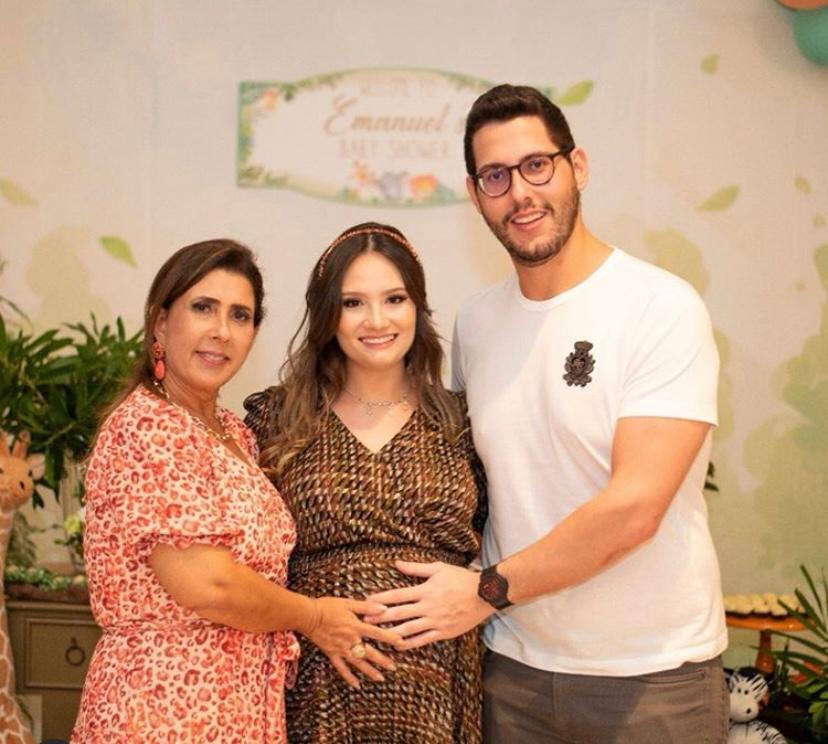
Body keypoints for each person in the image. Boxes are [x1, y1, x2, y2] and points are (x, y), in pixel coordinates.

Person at [369, 85, 729, 743]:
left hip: (651, 678)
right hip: (514, 673)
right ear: (475, 195)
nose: (520, 193)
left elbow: (635, 508)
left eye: (537, 165)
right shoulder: (477, 323)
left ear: (577, 166)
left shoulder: (660, 307)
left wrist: (484, 591)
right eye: (496, 177)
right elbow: (464, 483)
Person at [72, 239, 401, 743]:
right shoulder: (146, 425)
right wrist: (314, 616)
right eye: (203, 308)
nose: (221, 331)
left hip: (240, 706)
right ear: (161, 322)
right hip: (164, 707)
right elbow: (210, 585)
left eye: (240, 316)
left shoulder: (235, 433)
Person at [244, 222, 487, 743]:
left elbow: (500, 537)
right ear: (327, 314)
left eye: (394, 299)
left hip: (438, 684)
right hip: (316, 685)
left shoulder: (461, 421)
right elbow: (248, 557)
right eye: (353, 303)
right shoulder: (277, 419)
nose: (377, 321)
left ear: (418, 306)